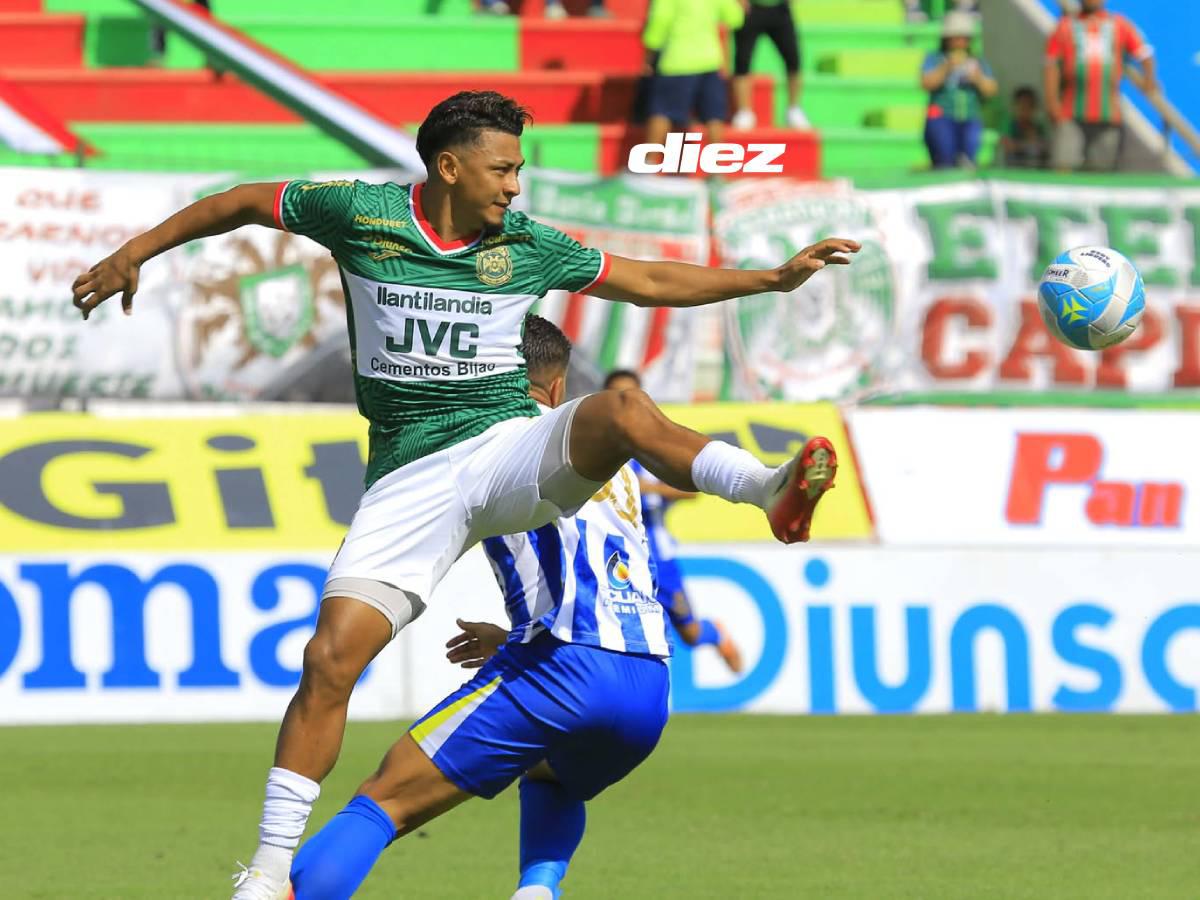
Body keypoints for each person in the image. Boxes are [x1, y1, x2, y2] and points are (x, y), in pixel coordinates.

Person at [70, 90, 851, 900]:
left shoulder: (527, 245)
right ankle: (267, 875)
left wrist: (768, 278)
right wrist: (139, 250)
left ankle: (767, 490)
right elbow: (239, 202)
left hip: (505, 449)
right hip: (410, 478)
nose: (516, 187)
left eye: (519, 170)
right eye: (503, 168)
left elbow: (647, 277)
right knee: (329, 657)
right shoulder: (359, 213)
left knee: (620, 409)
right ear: (449, 165)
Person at [286, 314, 673, 900]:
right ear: (559, 385)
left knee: (382, 802)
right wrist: (516, 635)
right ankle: (537, 891)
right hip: (647, 678)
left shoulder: (485, 437)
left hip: (563, 667)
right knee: (554, 775)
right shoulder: (610, 453)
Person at [604, 369, 743, 673]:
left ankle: (715, 632)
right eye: (616, 397)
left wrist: (640, 487)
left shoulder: (656, 450)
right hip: (615, 557)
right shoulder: (597, 450)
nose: (623, 404)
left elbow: (692, 490)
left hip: (658, 556)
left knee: (690, 633)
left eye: (630, 396)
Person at [1044, 0, 1157, 173]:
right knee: (1063, 165)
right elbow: (1051, 64)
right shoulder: (1065, 26)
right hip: (1070, 113)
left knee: (1100, 172)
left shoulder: (1119, 25)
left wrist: (1149, 80)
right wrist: (1052, 102)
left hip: (1108, 116)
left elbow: (1144, 53)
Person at [642, 0, 746, 152]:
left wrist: (648, 59)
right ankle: (716, 169)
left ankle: (649, 164)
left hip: (676, 62)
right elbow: (736, 18)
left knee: (661, 113)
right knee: (713, 116)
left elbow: (658, 24)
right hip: (710, 61)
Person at [920, 10, 998, 169]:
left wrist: (977, 79)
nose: (960, 43)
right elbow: (926, 83)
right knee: (944, 161)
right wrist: (946, 68)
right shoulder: (934, 58)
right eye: (955, 38)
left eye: (964, 38)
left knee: (968, 162)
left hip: (970, 118)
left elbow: (991, 90)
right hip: (941, 117)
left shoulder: (976, 62)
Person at [731, 0, 809, 131]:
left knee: (793, 60)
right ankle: (744, 111)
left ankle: (794, 109)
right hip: (750, 9)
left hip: (780, 9)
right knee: (742, 62)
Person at [1001, 86, 1050, 169]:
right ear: (1015, 106)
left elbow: (1045, 146)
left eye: (1029, 106)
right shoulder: (1010, 124)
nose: (1025, 110)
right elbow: (1007, 145)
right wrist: (1028, 144)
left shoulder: (1038, 127)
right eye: (1022, 106)